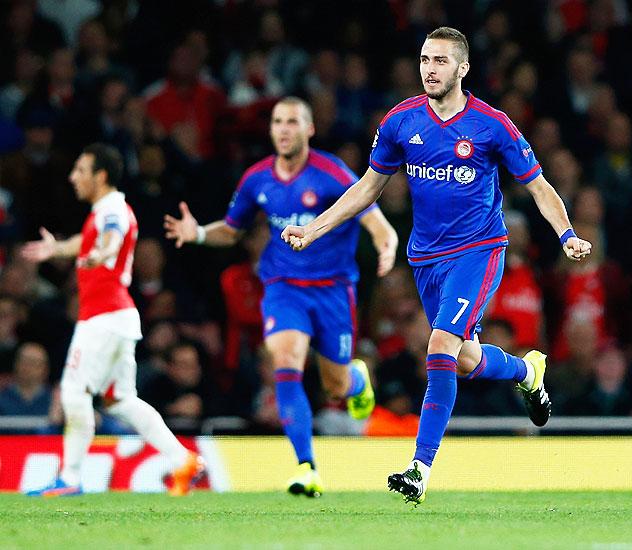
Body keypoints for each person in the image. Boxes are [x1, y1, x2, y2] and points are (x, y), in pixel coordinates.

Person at [281, 27, 592, 505]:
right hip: (426, 257)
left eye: (441, 61)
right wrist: (314, 227)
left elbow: (538, 186)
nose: (430, 68)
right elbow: (368, 187)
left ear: (463, 68)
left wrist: (566, 234)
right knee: (463, 359)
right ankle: (525, 373)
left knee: (440, 345)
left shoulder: (492, 125)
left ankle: (418, 468)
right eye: (425, 59)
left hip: (479, 250)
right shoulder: (401, 122)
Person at [164, 96, 398, 497]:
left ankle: (357, 381)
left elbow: (372, 217)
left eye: (292, 122)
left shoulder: (331, 174)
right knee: (285, 361)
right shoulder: (257, 179)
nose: (284, 129)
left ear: (309, 129)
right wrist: (199, 233)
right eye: (277, 122)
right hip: (283, 287)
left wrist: (386, 242)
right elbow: (234, 230)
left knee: (335, 386)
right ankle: (306, 466)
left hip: (333, 291)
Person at [21, 143, 204, 496]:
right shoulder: (107, 210)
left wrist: (103, 253)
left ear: (100, 176)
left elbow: (111, 237)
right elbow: (91, 239)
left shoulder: (112, 211)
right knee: (120, 400)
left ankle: (70, 478)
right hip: (118, 316)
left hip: (102, 318)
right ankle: (183, 459)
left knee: (74, 392)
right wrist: (59, 248)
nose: (73, 178)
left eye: (80, 171)